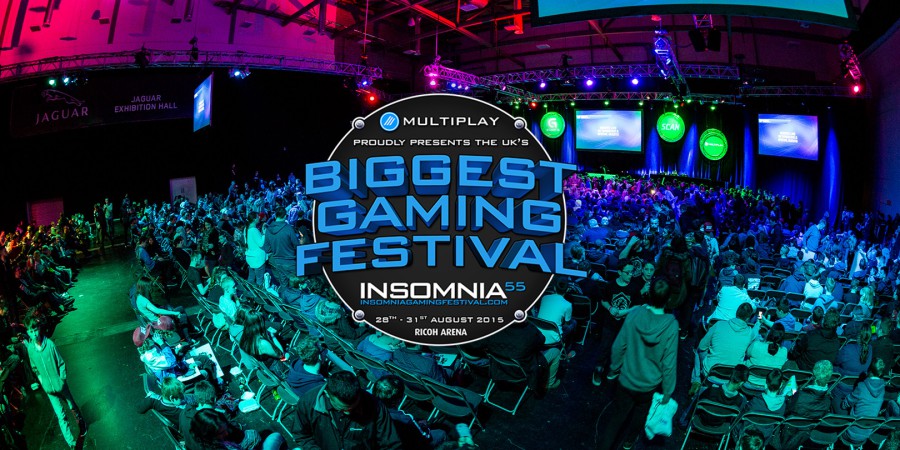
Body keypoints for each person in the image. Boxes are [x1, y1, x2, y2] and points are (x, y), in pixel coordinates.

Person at [599, 279, 677, 450]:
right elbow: (669, 362)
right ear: (669, 299)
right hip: (649, 385)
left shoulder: (635, 314)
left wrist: (614, 369)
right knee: (640, 414)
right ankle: (629, 442)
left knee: (616, 418)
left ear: (649, 294)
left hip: (626, 379)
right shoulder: (671, 325)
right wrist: (668, 391)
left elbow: (619, 346)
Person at [294, 370, 402, 450]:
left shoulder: (376, 406)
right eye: (342, 408)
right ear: (327, 394)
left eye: (354, 407)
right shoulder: (308, 402)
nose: (348, 412)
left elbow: (391, 444)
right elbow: (301, 435)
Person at [24, 317, 84, 448]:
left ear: (39, 328)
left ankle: (82, 425)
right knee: (60, 415)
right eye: (31, 331)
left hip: (60, 385)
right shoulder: (30, 349)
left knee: (72, 407)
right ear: (28, 332)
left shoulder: (50, 345)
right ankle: (71, 442)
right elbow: (34, 368)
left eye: (35, 330)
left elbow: (61, 363)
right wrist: (42, 381)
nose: (34, 334)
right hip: (49, 389)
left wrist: (62, 380)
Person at [373, 375, 447, 450]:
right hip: (410, 444)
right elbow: (424, 437)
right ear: (399, 399)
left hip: (382, 443)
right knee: (441, 433)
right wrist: (424, 428)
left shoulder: (371, 409)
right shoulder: (405, 418)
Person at [190, 407, 286, 450]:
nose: (226, 433)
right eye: (221, 433)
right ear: (210, 435)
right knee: (276, 436)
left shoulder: (212, 441)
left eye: (225, 428)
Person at [263, 207, 300, 286]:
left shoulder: (268, 230)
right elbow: (297, 245)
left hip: (277, 263)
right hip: (290, 262)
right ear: (285, 216)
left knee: (284, 285)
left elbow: (267, 249)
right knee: (295, 285)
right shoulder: (289, 228)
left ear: (275, 215)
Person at [245, 212, 267, 286]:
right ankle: (258, 293)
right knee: (259, 280)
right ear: (254, 219)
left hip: (250, 257)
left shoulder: (246, 229)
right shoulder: (254, 230)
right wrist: (264, 233)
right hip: (257, 259)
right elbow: (261, 243)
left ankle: (249, 291)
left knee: (251, 278)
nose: (259, 218)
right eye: (257, 217)